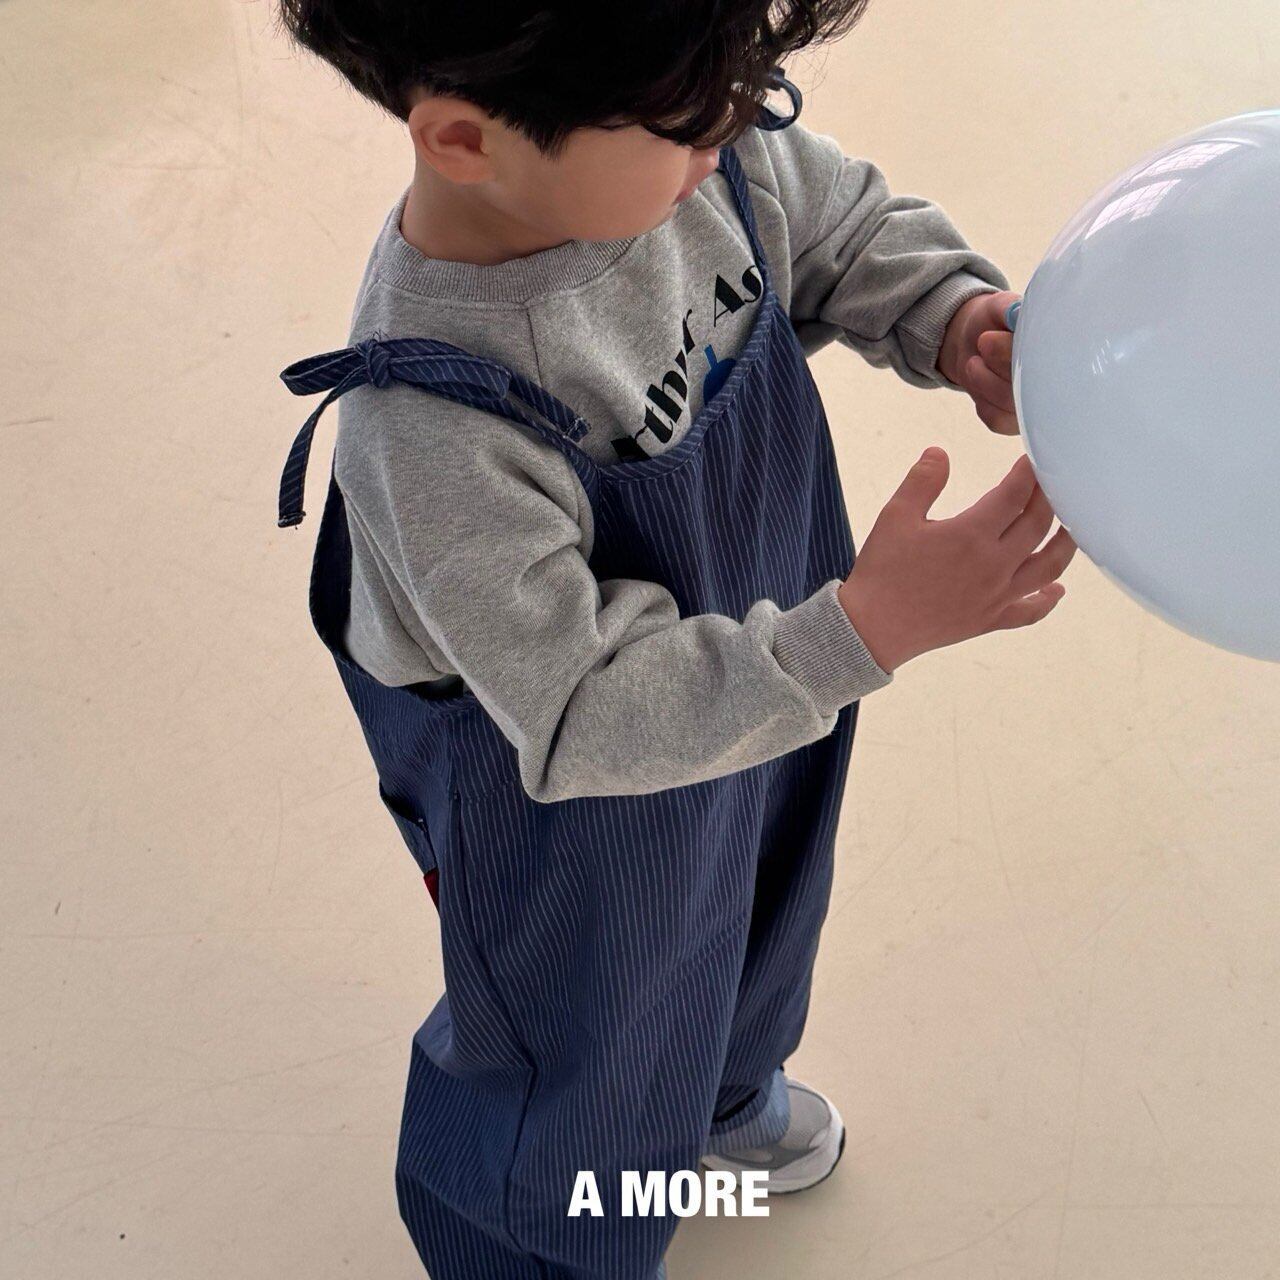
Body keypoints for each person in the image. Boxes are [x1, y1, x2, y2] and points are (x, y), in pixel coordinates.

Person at [272, 3, 1078, 1276]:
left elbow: (833, 225)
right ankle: (548, 1250)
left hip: (770, 663)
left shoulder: (687, 138)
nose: (732, 135)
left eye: (739, 95)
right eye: (693, 124)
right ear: (466, 141)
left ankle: (717, 1103)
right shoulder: (428, 425)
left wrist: (948, 313)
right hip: (568, 790)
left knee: (764, 893)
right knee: (584, 1037)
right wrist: (864, 630)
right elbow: (580, 708)